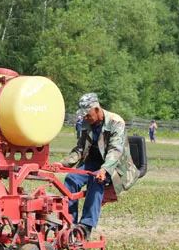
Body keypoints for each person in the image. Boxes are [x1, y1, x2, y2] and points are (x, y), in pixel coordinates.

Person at [51, 93, 140, 238]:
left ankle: (86, 226)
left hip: (116, 166)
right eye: (84, 116)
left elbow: (115, 151)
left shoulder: (116, 122)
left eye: (88, 115)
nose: (86, 118)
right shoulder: (87, 124)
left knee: (96, 179)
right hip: (92, 162)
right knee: (71, 179)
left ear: (97, 109)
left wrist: (104, 169)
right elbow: (80, 149)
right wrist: (61, 163)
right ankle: (69, 222)